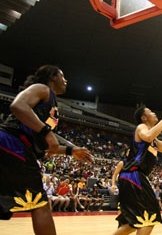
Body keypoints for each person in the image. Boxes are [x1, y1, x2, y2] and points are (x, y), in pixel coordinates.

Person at [0, 65, 93, 235]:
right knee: (40, 203)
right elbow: (17, 105)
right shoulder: (41, 89)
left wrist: (71, 151)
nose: (66, 80)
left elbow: (47, 147)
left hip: (17, 148)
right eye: (62, 76)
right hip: (12, 144)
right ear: (52, 77)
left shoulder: (53, 105)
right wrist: (46, 131)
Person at [113, 105, 162, 235]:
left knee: (134, 223)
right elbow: (147, 136)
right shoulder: (141, 128)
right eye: (151, 112)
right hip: (133, 175)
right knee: (150, 216)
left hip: (133, 176)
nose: (154, 113)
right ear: (144, 117)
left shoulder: (154, 140)